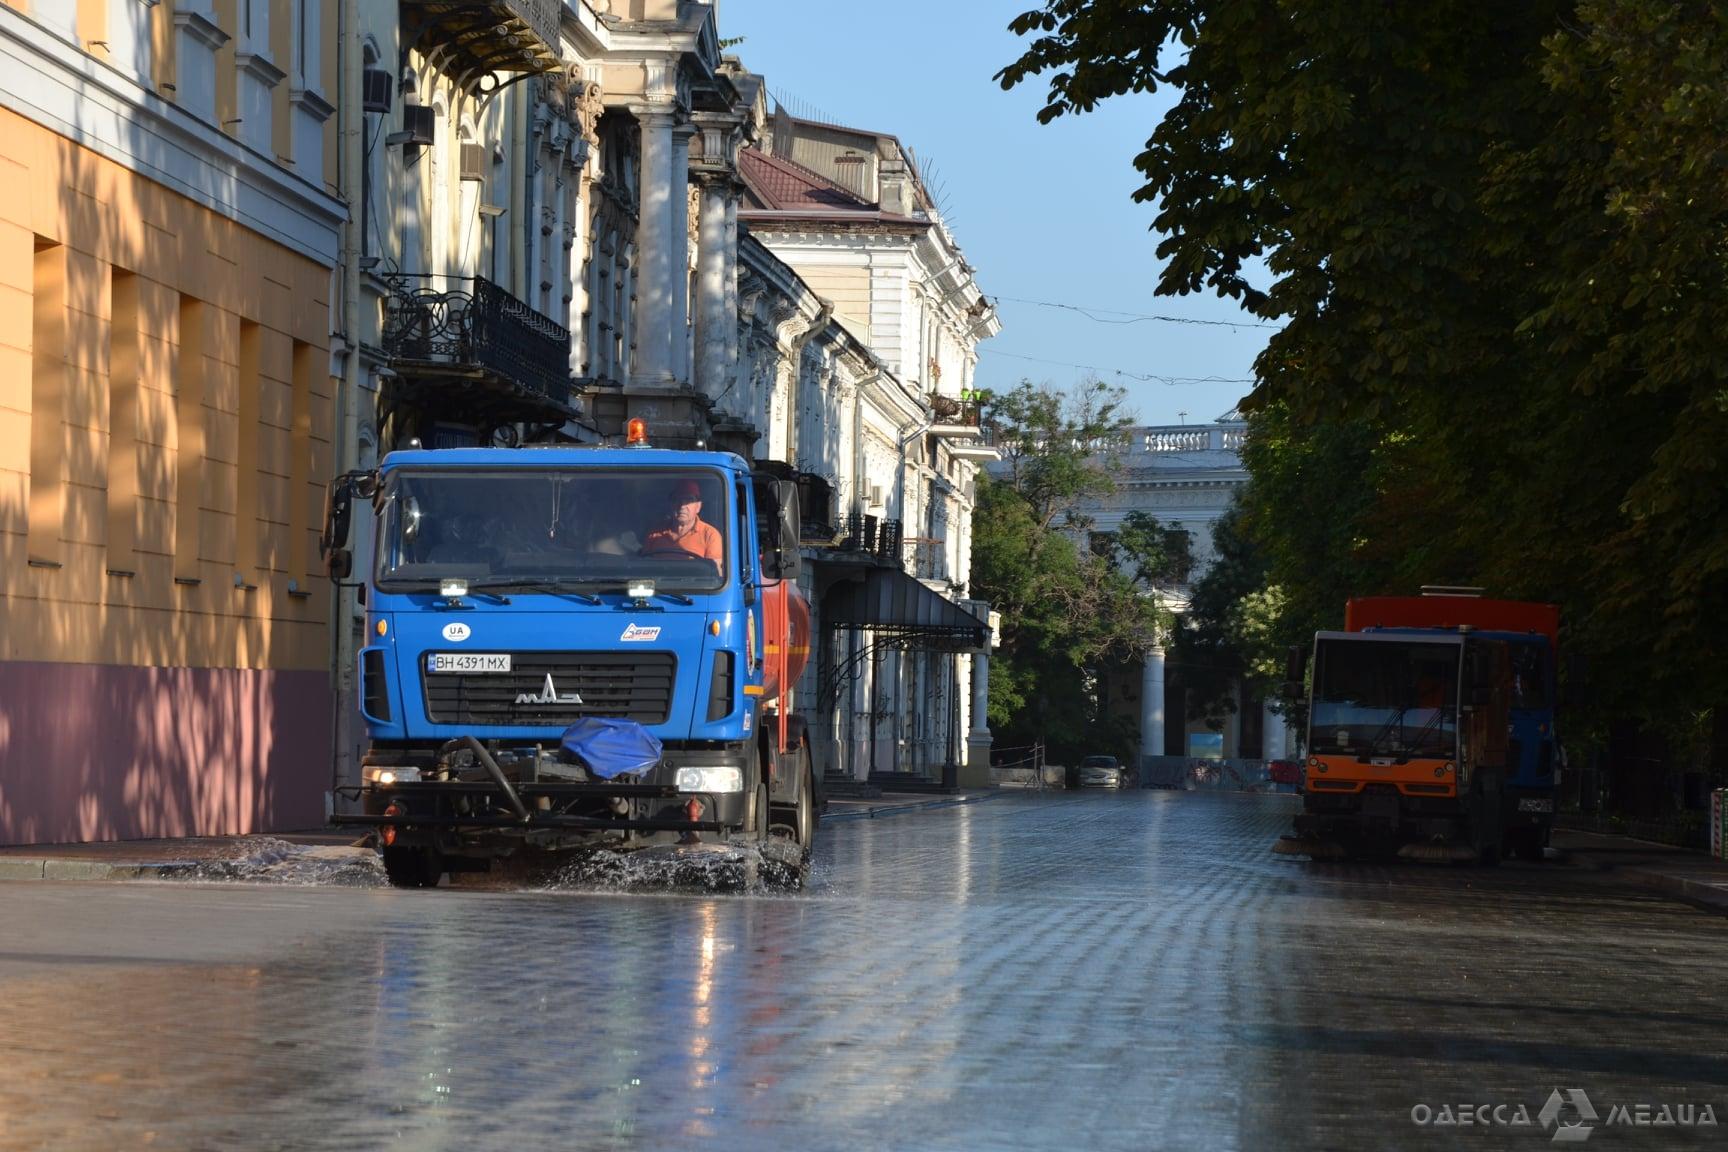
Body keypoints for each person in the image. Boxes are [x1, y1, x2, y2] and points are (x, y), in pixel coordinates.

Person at [641, 479, 722, 566]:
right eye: (678, 499)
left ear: (698, 506)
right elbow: (644, 566)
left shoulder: (710, 535)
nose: (682, 506)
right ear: (671, 504)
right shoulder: (654, 533)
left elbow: (714, 574)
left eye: (689, 500)